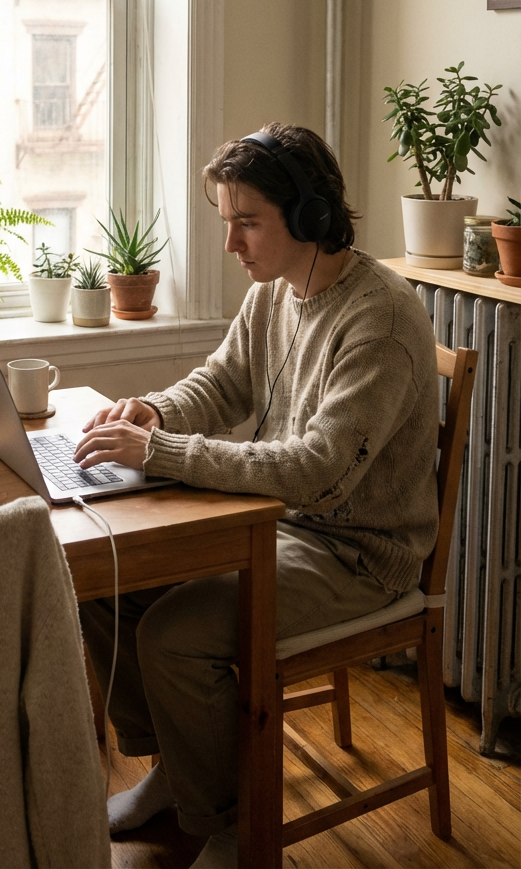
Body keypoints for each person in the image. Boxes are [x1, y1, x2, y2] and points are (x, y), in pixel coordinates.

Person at [74, 123, 440, 869]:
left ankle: (234, 821)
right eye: (226, 222)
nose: (232, 243)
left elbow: (316, 471)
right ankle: (178, 773)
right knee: (110, 582)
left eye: (248, 222)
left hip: (358, 551)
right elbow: (225, 380)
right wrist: (154, 410)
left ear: (309, 217)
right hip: (279, 524)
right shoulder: (274, 292)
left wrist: (163, 452)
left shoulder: (380, 318)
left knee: (173, 633)